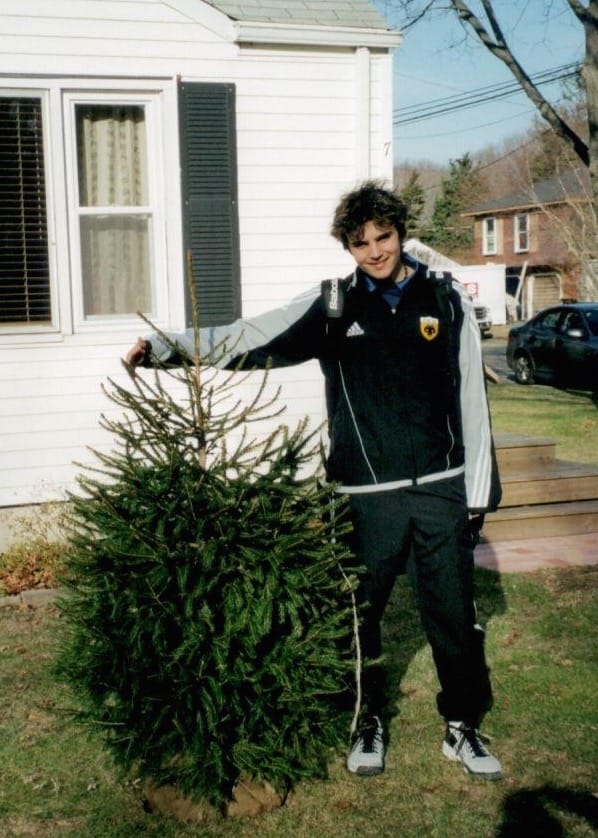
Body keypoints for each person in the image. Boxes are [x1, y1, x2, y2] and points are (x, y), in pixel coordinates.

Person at [125, 181, 503, 780]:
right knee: (359, 616)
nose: (375, 251)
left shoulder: (446, 297)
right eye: (360, 243)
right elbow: (252, 336)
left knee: (454, 615)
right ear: (347, 247)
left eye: (383, 237)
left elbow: (472, 395)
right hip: (363, 494)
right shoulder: (333, 305)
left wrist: (477, 493)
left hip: (441, 486)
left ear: (400, 232)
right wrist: (169, 347)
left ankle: (462, 727)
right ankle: (365, 720)